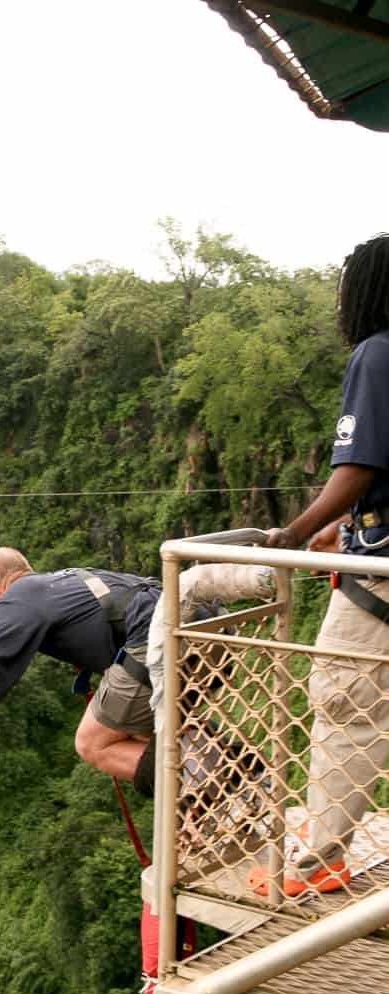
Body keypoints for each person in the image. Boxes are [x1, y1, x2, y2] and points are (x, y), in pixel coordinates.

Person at [248, 233, 389, 897]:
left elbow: (360, 464)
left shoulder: (377, 352)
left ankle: (320, 861)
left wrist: (295, 530)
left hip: (380, 583)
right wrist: (342, 526)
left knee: (344, 705)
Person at [0, 547, 163, 794]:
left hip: (153, 642)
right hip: (189, 627)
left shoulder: (18, 597)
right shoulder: (69, 580)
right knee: (137, 730)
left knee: (93, 742)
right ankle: (199, 773)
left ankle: (196, 779)